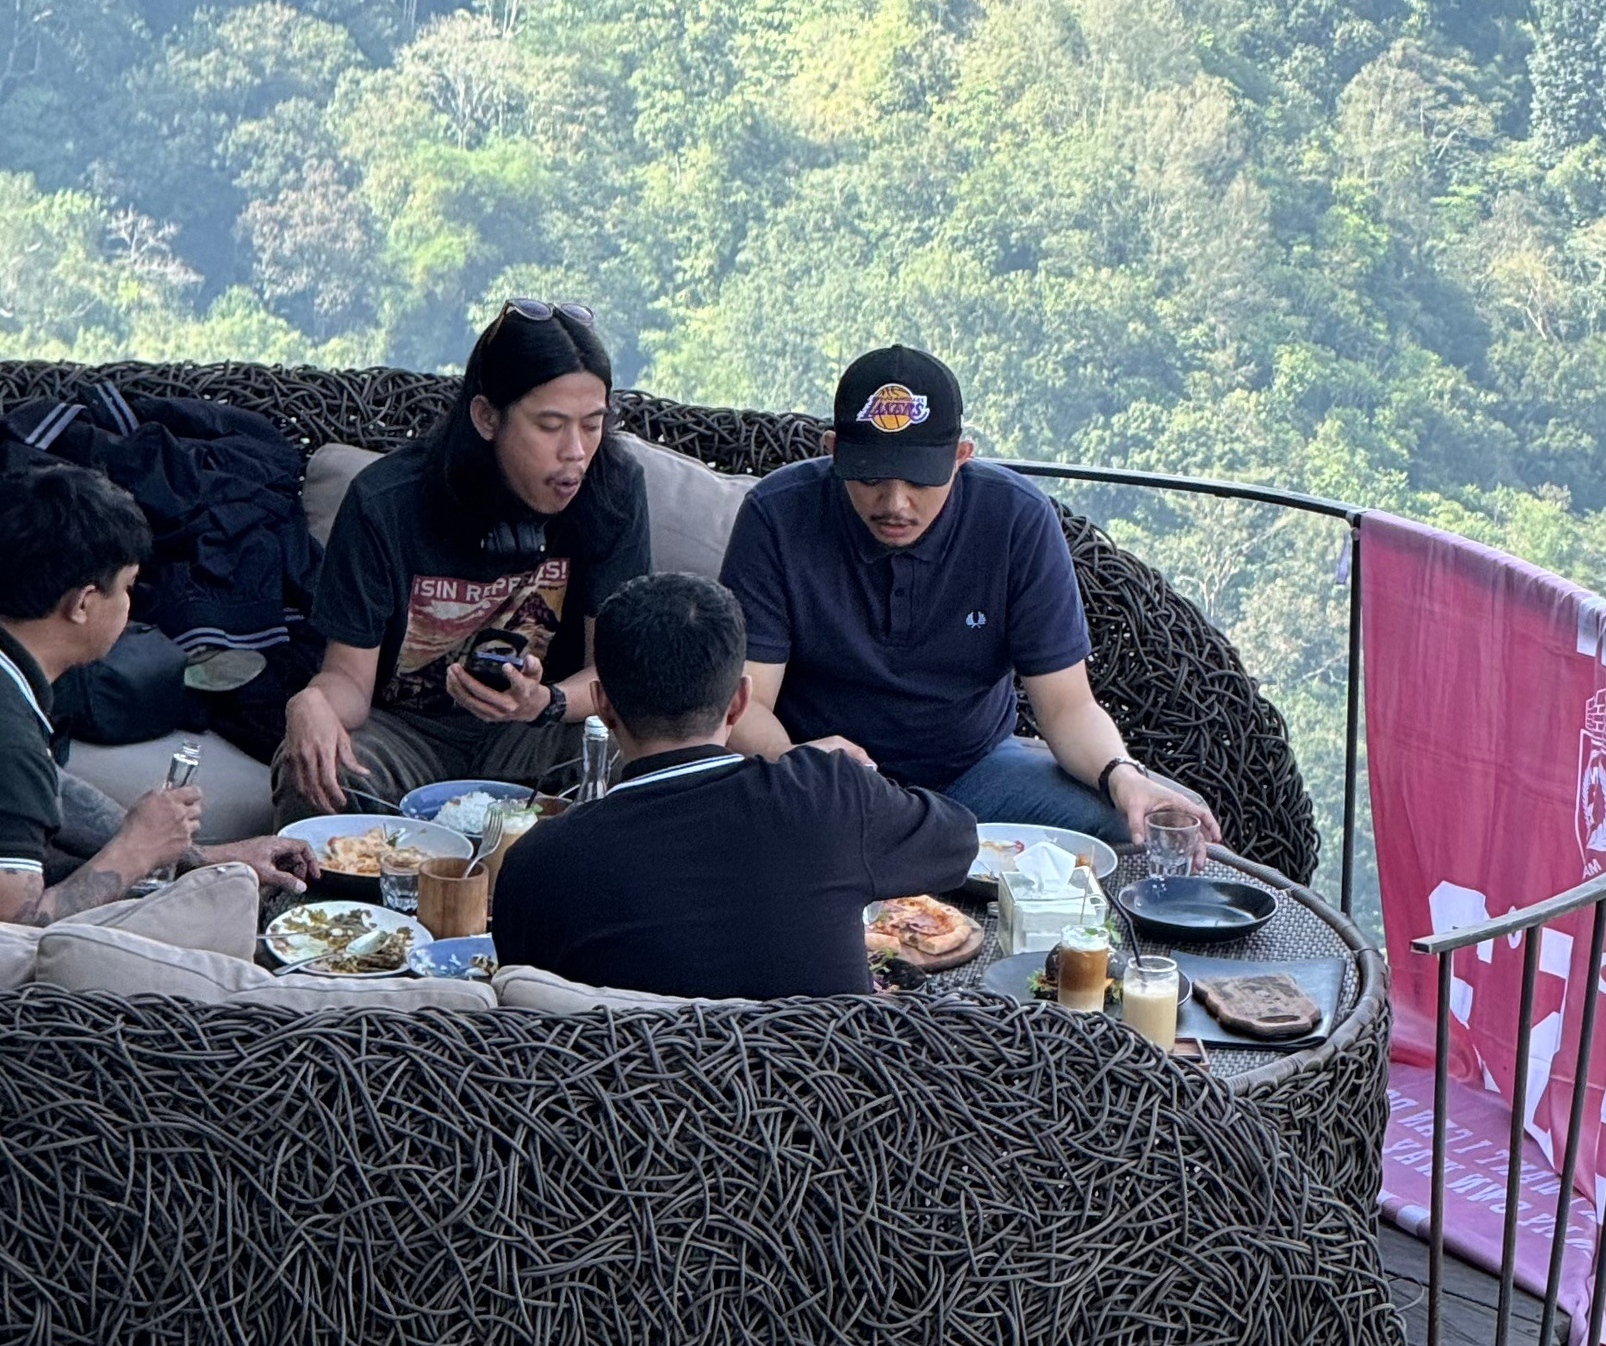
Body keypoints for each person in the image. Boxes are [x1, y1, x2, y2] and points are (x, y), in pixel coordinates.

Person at [718, 344, 1221, 851]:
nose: (895, 504)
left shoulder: (1014, 520)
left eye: (919, 479)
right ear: (832, 451)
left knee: (1142, 830)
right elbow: (745, 702)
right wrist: (798, 763)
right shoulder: (777, 517)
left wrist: (1123, 776)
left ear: (961, 457)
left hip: (974, 775)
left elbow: (1068, 708)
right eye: (870, 477)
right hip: (825, 782)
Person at [492, 572, 975, 998]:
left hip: (633, 1097)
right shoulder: (830, 797)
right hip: (826, 1095)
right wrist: (839, 779)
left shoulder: (536, 865)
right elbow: (959, 842)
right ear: (740, 700)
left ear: (602, 705)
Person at [278, 303, 652, 816]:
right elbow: (349, 681)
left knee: (642, 744)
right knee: (315, 769)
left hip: (538, 734)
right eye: (550, 425)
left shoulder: (614, 488)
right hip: (407, 738)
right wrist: (311, 703)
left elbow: (612, 674)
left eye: (592, 425)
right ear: (485, 417)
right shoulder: (385, 502)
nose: (576, 452)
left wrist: (546, 702)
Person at [0, 464, 316, 924]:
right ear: (83, 603)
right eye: (128, 586)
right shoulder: (10, 736)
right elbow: (13, 933)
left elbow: (49, 789)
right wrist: (135, 850)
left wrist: (198, 858)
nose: (132, 603)